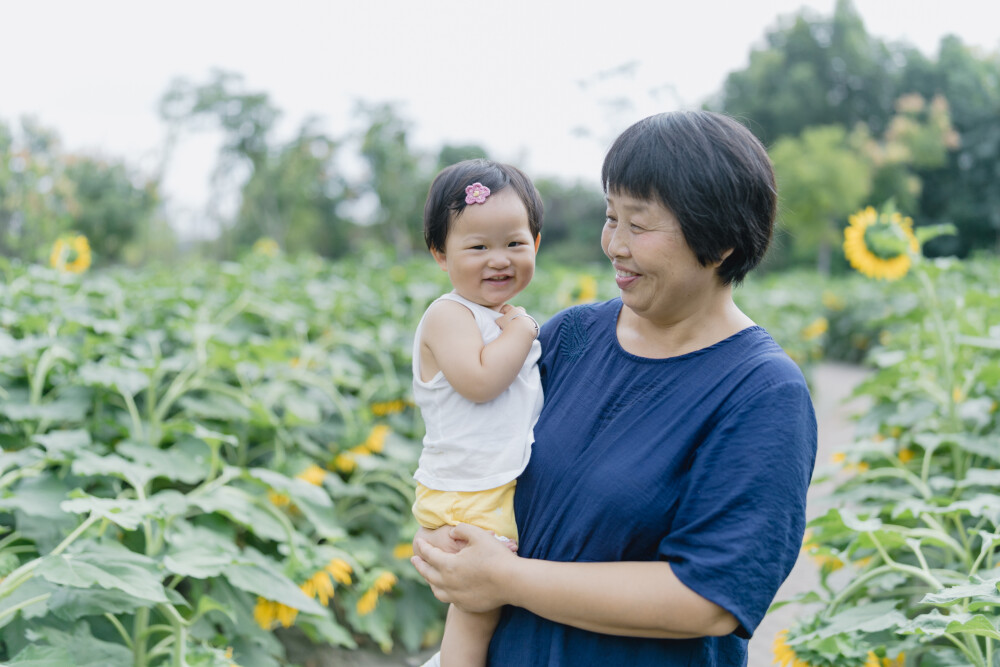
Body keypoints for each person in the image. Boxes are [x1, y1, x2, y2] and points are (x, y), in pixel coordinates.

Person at [411, 111, 818, 666]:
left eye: (639, 225)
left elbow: (708, 599)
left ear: (720, 241)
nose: (614, 245)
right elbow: (478, 451)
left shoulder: (761, 392)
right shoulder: (570, 337)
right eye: (611, 217)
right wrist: (448, 544)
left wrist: (505, 579)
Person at [410, 159, 545, 667]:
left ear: (536, 242)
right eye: (477, 247)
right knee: (475, 613)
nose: (499, 260)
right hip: (469, 494)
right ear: (440, 255)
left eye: (514, 243)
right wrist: (523, 331)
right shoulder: (449, 316)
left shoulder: (498, 320)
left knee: (494, 611)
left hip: (490, 485)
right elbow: (482, 383)